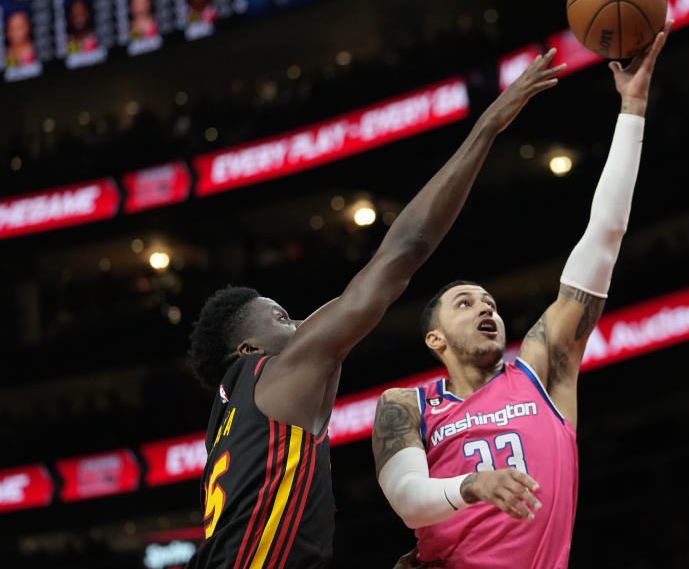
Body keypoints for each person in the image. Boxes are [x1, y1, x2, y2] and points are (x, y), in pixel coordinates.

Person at [184, 50, 567, 569]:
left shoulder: (228, 422)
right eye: (281, 319)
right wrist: (487, 128)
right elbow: (407, 248)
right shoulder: (274, 374)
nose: (301, 326)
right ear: (249, 349)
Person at [372, 23, 672, 568]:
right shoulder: (405, 405)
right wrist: (472, 485)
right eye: (464, 303)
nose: (486, 307)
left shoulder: (542, 373)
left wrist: (633, 108)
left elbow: (603, 239)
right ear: (433, 337)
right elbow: (410, 502)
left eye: (488, 300)